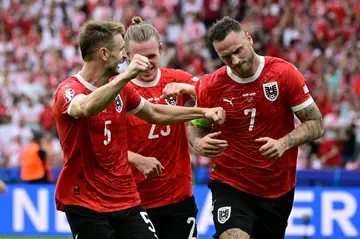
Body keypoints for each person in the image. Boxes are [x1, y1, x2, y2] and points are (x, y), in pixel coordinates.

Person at [53, 20, 225, 239]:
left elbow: (154, 113)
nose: (124, 57)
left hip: (125, 198)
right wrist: (126, 76)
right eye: (121, 52)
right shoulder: (69, 90)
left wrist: (202, 112)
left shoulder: (122, 89)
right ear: (104, 54)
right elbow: (85, 107)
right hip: (85, 200)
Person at [163, 16, 324, 239]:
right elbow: (196, 124)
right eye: (226, 56)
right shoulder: (211, 85)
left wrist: (283, 143)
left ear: (249, 39)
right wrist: (198, 142)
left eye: (238, 51)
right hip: (230, 182)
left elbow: (316, 123)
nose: (235, 60)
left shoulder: (284, 74)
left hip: (277, 186)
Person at [124, 16, 199, 239]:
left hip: (178, 197)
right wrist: (136, 159)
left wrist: (190, 89)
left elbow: (214, 95)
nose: (147, 63)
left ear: (161, 49)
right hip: (133, 200)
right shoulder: (116, 89)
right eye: (139, 57)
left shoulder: (178, 79)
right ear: (126, 56)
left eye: (152, 56)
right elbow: (101, 145)